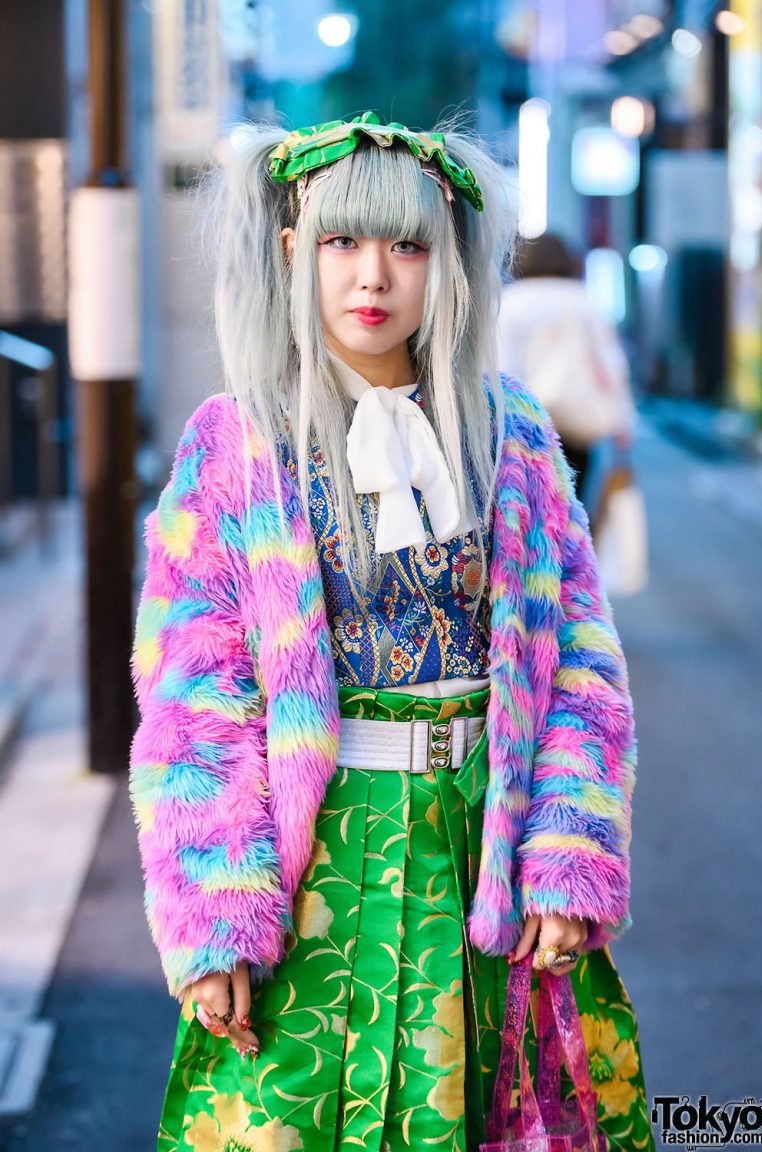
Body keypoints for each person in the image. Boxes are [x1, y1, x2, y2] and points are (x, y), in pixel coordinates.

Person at [130, 113, 653, 1152]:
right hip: (313, 863)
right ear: (293, 250)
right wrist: (216, 916)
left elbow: (584, 664)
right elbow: (195, 699)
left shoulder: (512, 432)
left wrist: (567, 849)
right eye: (342, 242)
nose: (374, 276)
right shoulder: (235, 445)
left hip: (487, 853)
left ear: (446, 260)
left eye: (407, 245)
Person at [497, 233, 637, 503]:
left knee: (526, 507)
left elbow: (498, 365)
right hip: (577, 420)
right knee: (571, 502)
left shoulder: (512, 301)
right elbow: (612, 362)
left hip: (524, 423)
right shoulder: (583, 300)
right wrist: (623, 419)